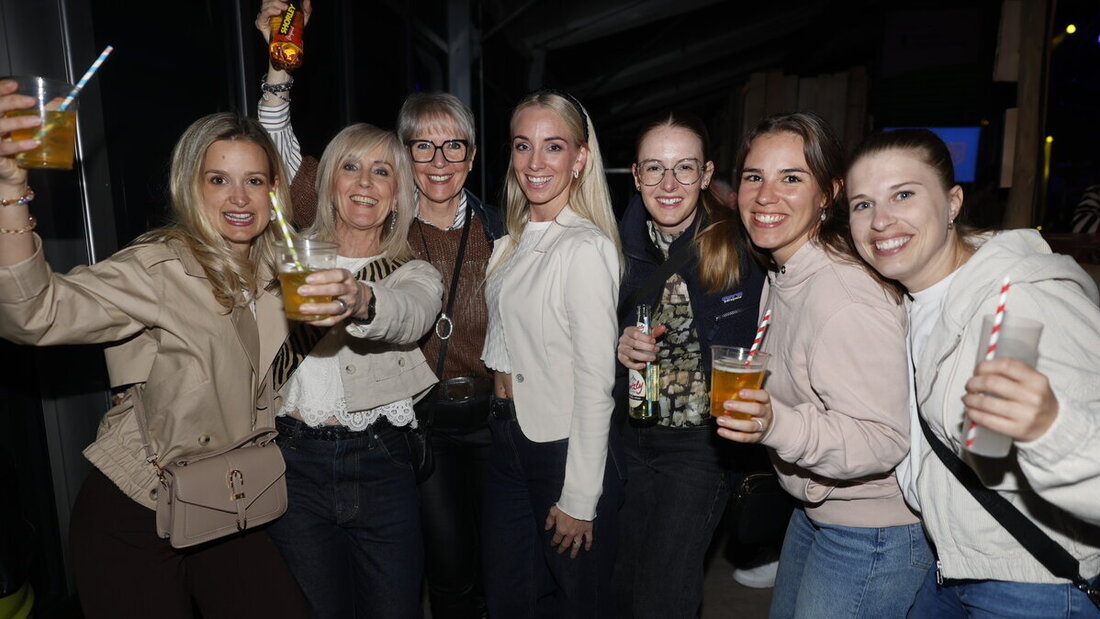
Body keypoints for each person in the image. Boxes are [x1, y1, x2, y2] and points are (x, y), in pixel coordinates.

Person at [0, 90, 310, 617]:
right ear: (192, 187)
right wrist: (10, 192)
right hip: (136, 510)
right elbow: (33, 314)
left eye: (254, 181)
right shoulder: (157, 269)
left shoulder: (283, 269)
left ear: (274, 190)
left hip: (226, 499)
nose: (239, 198)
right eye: (219, 180)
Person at [254, 4, 504, 615]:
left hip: (479, 419)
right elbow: (273, 151)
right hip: (405, 425)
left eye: (453, 146)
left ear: (472, 156)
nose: (439, 160)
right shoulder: (322, 237)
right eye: (423, 147)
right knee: (442, 569)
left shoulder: (499, 230)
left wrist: (362, 299)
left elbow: (410, 309)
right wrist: (279, 65)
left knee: (492, 567)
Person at [846, 128, 1100, 617]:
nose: (880, 220)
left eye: (903, 194)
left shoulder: (1026, 299)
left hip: (1035, 583)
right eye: (863, 204)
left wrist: (1051, 428)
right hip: (952, 565)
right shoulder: (906, 302)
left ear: (952, 202)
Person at [715, 112, 930, 618]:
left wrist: (776, 424)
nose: (766, 196)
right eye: (754, 177)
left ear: (828, 193)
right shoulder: (786, 270)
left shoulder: (842, 295)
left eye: (791, 178)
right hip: (817, 506)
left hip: (873, 530)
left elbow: (885, 437)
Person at [266, 121, 444, 619]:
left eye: (382, 171)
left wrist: (362, 299)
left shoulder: (413, 272)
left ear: (398, 195)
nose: (365, 181)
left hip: (382, 463)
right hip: (292, 465)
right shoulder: (283, 259)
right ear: (329, 185)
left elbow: (412, 313)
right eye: (351, 167)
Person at [611, 112, 765, 618]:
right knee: (621, 584)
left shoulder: (739, 245)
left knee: (664, 592)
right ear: (636, 176)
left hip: (701, 446)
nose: (669, 183)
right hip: (630, 436)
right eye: (655, 168)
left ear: (706, 174)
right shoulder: (613, 248)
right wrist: (619, 349)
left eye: (684, 168)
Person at [480, 91, 623, 618]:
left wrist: (581, 497)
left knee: (577, 602)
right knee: (508, 596)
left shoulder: (583, 247)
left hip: (561, 447)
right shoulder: (512, 241)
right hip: (506, 437)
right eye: (523, 146)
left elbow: (596, 380)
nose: (535, 162)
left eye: (553, 146)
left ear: (580, 158)